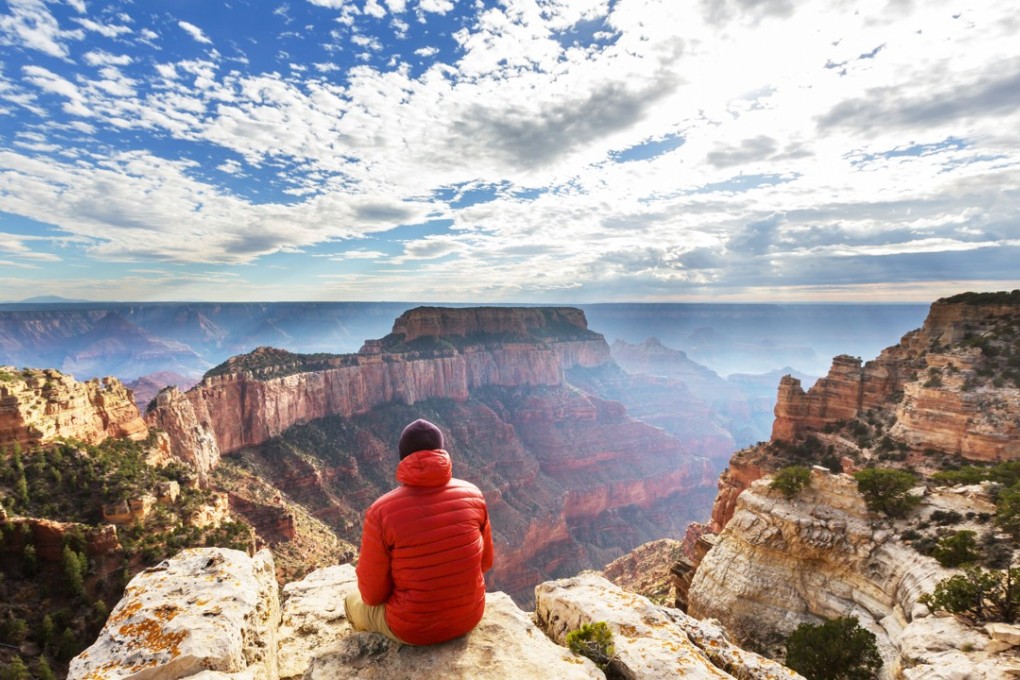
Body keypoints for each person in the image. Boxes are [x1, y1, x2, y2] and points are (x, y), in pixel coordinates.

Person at [345, 418, 495, 645]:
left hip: (413, 630)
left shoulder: (380, 512)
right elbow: (485, 564)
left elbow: (373, 596)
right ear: (441, 452)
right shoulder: (473, 494)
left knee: (351, 600)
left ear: (403, 457)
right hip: (469, 616)